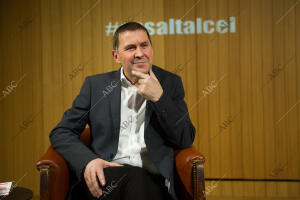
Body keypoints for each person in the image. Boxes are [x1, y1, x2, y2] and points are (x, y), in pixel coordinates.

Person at [50, 22, 195, 200]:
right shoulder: (96, 86)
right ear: (116, 56)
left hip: (152, 178)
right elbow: (61, 132)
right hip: (106, 176)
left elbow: (184, 138)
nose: (140, 53)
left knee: (139, 181)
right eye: (130, 48)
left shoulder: (169, 83)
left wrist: (160, 98)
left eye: (144, 45)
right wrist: (88, 161)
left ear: (151, 48)